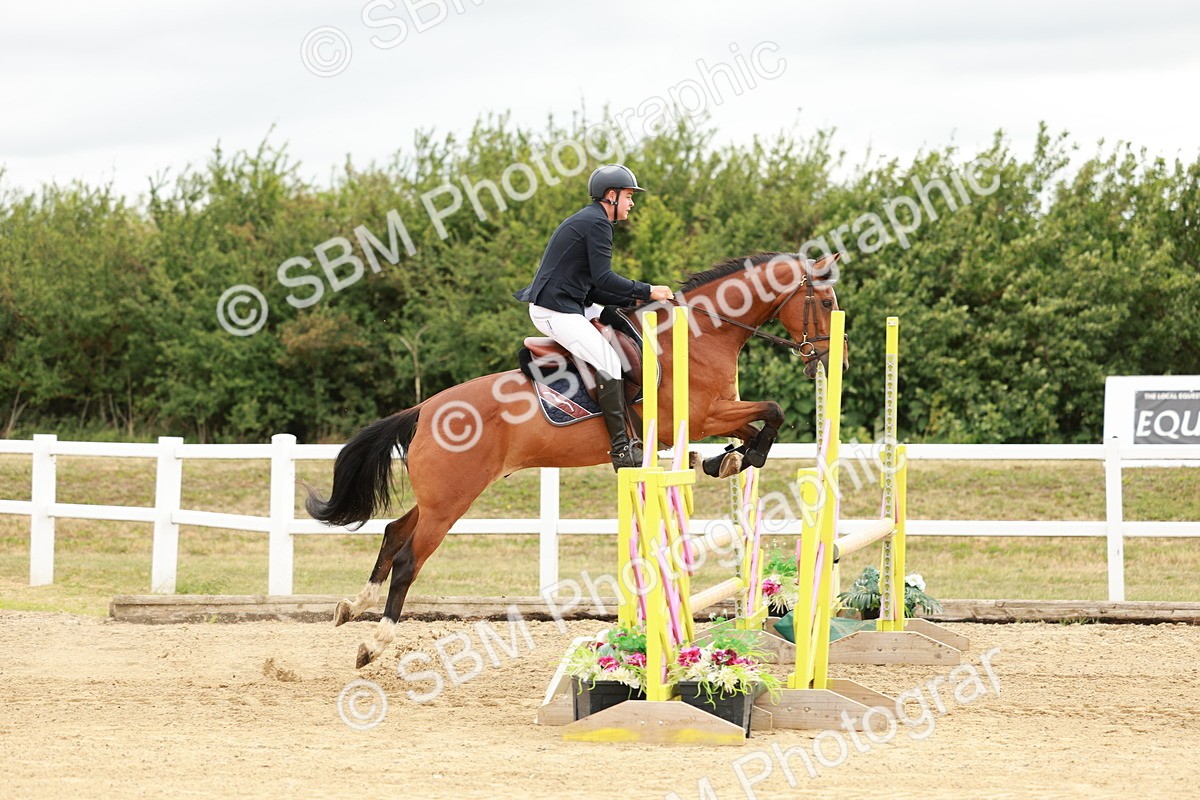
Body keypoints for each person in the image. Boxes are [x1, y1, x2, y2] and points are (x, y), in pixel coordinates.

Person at [514, 164, 675, 469]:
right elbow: (604, 280)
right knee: (610, 362)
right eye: (628, 196)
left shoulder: (593, 221)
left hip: (575, 302)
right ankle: (621, 450)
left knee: (623, 318)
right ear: (610, 196)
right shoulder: (597, 224)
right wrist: (648, 289)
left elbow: (598, 290)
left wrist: (637, 299)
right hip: (555, 310)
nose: (632, 203)